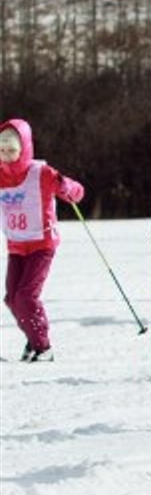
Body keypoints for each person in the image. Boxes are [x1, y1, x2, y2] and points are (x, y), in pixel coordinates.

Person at [0, 119, 84, 362]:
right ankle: (33, 336)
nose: (6, 156)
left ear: (24, 148)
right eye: (2, 150)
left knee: (26, 296)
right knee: (11, 298)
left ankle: (44, 347)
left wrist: (67, 186)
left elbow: (77, 192)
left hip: (42, 244)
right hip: (16, 245)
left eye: (12, 150)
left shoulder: (42, 173)